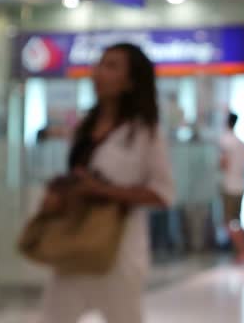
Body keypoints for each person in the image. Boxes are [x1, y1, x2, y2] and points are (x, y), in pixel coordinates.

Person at [39, 44, 174, 323]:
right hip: (76, 241)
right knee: (54, 316)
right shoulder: (84, 128)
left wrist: (103, 190)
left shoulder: (144, 133)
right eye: (100, 64)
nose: (99, 73)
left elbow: (163, 193)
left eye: (111, 66)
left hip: (119, 248)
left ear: (130, 81)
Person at [218, 112, 244, 264]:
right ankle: (242, 251)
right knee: (236, 220)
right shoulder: (241, 143)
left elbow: (223, 164)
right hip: (240, 184)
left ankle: (243, 251)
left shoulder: (226, 141)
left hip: (230, 185)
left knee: (230, 221)